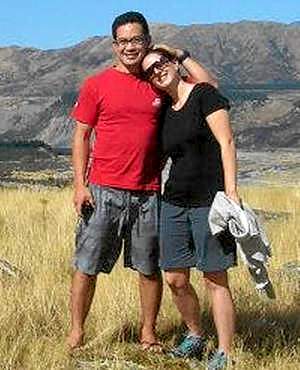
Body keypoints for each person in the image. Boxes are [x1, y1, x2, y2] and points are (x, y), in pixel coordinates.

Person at [67, 11, 217, 350]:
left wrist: (179, 55)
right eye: (123, 41)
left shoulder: (158, 81)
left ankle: (147, 332)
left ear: (148, 41)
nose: (130, 47)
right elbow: (81, 136)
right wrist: (80, 184)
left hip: (149, 191)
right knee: (86, 264)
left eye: (137, 40)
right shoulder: (96, 84)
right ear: (114, 46)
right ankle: (76, 332)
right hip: (103, 189)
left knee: (149, 269)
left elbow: (208, 88)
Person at [142, 48, 239, 369]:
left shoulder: (203, 95)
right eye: (149, 71)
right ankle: (195, 335)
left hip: (209, 202)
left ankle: (225, 351)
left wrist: (232, 192)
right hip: (174, 202)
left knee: (214, 278)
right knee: (174, 278)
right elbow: (160, 159)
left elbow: (226, 142)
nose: (156, 71)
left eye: (160, 63)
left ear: (172, 63)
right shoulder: (166, 111)